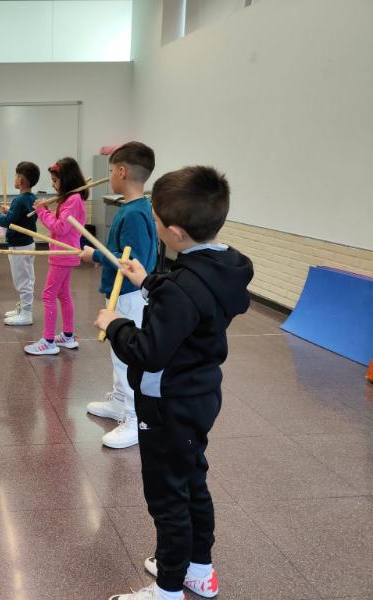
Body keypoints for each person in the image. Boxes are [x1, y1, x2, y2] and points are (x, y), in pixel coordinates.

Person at [100, 166, 253, 600]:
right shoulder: (222, 266)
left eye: (155, 220)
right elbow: (191, 301)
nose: (154, 225)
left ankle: (167, 589)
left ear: (175, 232)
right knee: (192, 482)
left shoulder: (182, 287)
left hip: (166, 403)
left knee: (168, 498)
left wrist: (115, 324)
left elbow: (148, 351)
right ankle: (199, 570)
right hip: (199, 396)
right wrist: (147, 281)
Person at [81, 142, 158, 449]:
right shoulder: (133, 208)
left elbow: (132, 262)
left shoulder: (135, 213)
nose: (110, 175)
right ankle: (119, 402)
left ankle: (134, 417)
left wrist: (96, 254)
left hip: (128, 295)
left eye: (112, 170)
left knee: (128, 357)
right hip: (122, 293)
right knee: (118, 352)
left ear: (123, 171)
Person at [23, 158, 86, 356]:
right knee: (63, 294)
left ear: (66, 180)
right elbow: (62, 221)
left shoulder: (73, 199)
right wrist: (48, 210)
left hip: (63, 253)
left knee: (48, 295)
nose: (53, 184)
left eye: (55, 180)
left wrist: (42, 212)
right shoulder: (71, 199)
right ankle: (67, 335)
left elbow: (60, 227)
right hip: (64, 251)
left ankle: (48, 341)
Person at [0, 161, 40, 325]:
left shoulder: (19, 200)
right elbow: (21, 218)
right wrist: (10, 211)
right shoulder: (32, 198)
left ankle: (26, 314)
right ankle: (23, 307)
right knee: (27, 278)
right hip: (28, 244)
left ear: (20, 180)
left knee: (22, 280)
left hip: (19, 246)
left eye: (16, 175)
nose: (15, 178)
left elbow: (7, 222)